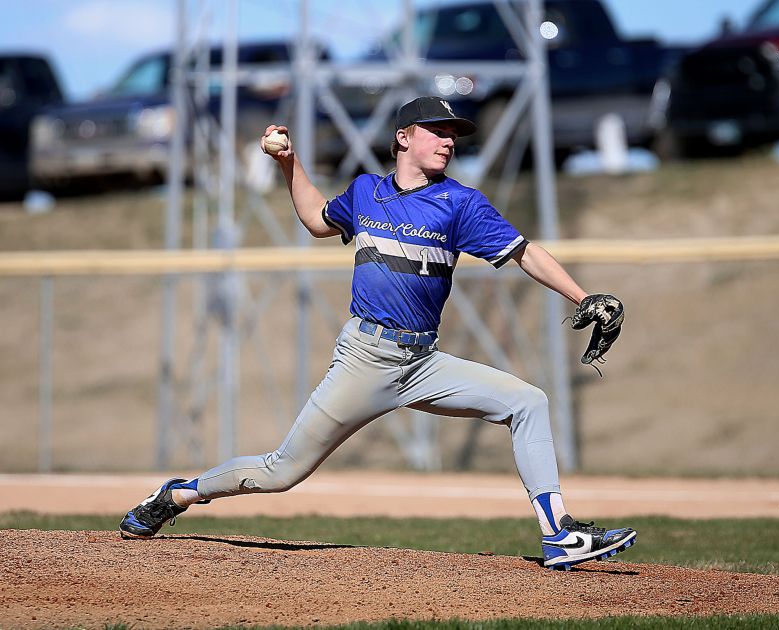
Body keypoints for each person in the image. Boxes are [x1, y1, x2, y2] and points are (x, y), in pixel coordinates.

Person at [119, 96, 635, 570]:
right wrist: (288, 164)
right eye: (437, 130)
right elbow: (319, 221)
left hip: (424, 364)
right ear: (404, 137)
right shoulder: (366, 191)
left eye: (453, 133)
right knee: (280, 473)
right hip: (364, 360)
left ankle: (558, 535)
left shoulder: (461, 203)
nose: (449, 140)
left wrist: (583, 296)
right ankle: (180, 494)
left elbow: (524, 251)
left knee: (528, 402)